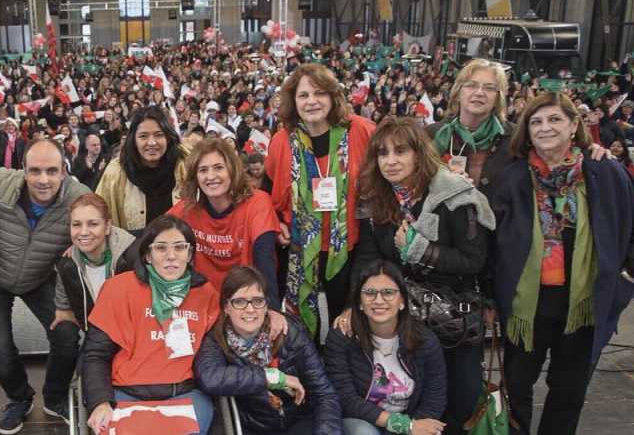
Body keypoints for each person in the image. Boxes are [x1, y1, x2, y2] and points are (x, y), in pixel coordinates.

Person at [490, 92, 634, 435]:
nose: (545, 128)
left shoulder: (604, 171)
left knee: (568, 391)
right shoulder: (512, 178)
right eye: (536, 122)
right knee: (515, 388)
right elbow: (491, 241)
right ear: (526, 131)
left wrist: (630, 273)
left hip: (585, 304)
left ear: (574, 125)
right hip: (526, 307)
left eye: (554, 119)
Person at [337, 117, 495, 435]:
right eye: (383, 153)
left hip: (453, 318)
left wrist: (418, 248)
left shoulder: (454, 193)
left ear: (418, 152)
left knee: (460, 399)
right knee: (416, 399)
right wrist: (354, 305)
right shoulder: (377, 198)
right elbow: (369, 259)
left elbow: (473, 260)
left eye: (400, 151)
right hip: (407, 317)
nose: (391, 161)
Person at [0, 140, 90, 434]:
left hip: (40, 277)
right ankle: (19, 398)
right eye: (35, 171)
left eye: (51, 171)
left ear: (64, 171)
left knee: (66, 332)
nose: (43, 179)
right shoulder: (0, 181)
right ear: (23, 171)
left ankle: (55, 396)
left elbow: (101, 229)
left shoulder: (79, 198)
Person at [264, 63, 376, 339]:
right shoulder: (281, 142)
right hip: (299, 249)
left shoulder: (361, 131)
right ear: (293, 102)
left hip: (348, 249)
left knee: (347, 324)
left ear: (332, 97)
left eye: (320, 93)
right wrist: (277, 224)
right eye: (304, 95)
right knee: (302, 325)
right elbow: (267, 193)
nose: (312, 101)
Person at [82, 215, 220, 435]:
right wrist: (100, 401)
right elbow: (95, 354)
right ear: (147, 255)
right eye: (161, 248)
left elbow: (214, 357)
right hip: (126, 394)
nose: (171, 256)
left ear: (190, 254)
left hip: (185, 394)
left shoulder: (206, 293)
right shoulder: (119, 289)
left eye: (180, 247)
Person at [195, 266, 342, 435]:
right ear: (226, 307)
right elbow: (210, 378)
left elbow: (323, 394)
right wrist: (273, 377)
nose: (250, 309)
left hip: (297, 422)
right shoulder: (216, 339)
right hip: (251, 427)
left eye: (258, 301)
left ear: (267, 306)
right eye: (240, 302)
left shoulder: (290, 332)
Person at [167, 137, 285, 330]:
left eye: (218, 167)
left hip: (245, 305)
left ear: (232, 170)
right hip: (204, 306)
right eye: (203, 170)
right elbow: (153, 237)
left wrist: (271, 309)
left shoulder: (258, 202)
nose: (211, 176)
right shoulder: (187, 208)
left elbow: (264, 258)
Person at [324, 260, 447, 435]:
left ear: (402, 301)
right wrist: (403, 425)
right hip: (361, 422)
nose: (378, 300)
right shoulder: (343, 337)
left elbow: (434, 398)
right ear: (359, 301)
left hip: (411, 420)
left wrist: (413, 427)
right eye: (369, 293)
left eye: (388, 292)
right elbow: (346, 399)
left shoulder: (425, 340)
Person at [427, 59, 515, 196]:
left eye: (489, 88)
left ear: (498, 97)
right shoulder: (431, 134)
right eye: (471, 85)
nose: (479, 92)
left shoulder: (514, 138)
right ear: (458, 92)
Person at [52, 193, 136, 332]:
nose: (84, 232)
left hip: (130, 334)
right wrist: (62, 307)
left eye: (93, 224)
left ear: (108, 226)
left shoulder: (131, 258)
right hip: (96, 335)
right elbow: (63, 298)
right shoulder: (68, 262)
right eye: (77, 225)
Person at [97, 106, 187, 234]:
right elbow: (98, 213)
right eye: (143, 136)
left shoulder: (184, 166)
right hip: (132, 251)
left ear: (168, 137)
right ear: (134, 139)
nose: (152, 143)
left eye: (158, 135)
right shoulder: (116, 172)